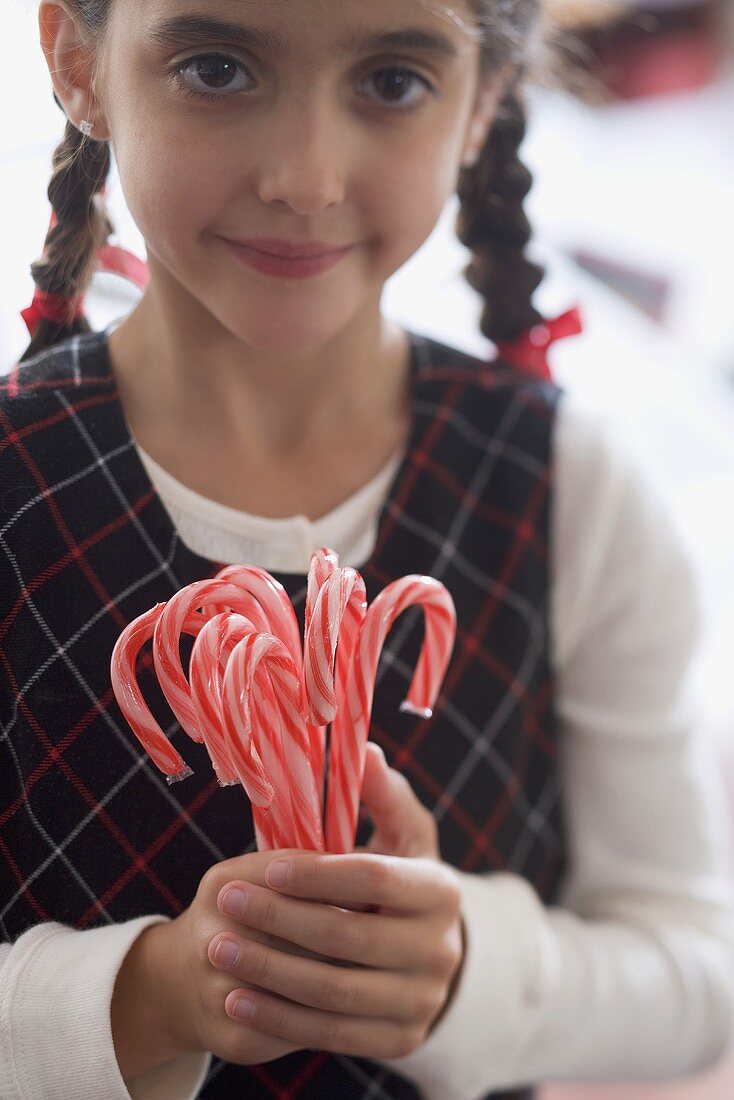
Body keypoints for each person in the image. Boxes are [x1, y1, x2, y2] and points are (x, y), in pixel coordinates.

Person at [1, 0, 733, 1098]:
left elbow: (692, 975)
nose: (305, 176)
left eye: (391, 82)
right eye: (214, 67)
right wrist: (140, 996)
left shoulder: (567, 490)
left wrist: (469, 971)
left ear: (482, 99)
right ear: (77, 59)